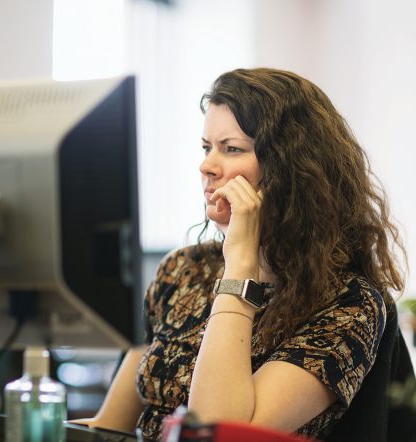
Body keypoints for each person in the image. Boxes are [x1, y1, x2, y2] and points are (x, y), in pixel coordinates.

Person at [72, 68, 406, 441]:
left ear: (291, 169)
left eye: (231, 149)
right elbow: (108, 428)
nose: (206, 166)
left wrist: (241, 265)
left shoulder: (348, 304)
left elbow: (220, 431)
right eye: (206, 147)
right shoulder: (183, 270)